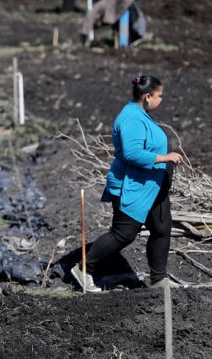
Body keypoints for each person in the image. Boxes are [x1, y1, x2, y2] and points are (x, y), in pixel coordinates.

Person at [70, 75, 183, 293]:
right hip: (132, 186)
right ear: (148, 96)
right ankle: (84, 268)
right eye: (160, 96)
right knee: (124, 233)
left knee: (161, 228)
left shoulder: (142, 114)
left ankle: (159, 279)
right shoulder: (131, 118)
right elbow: (132, 154)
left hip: (152, 186)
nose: (162, 100)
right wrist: (165, 158)